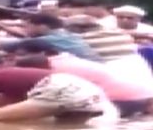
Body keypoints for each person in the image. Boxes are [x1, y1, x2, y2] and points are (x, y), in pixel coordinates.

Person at [10, 39, 151, 117]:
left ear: (43, 53)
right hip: (141, 96)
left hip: (121, 100)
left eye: (20, 55)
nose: (16, 59)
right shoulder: (66, 58)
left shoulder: (53, 68)